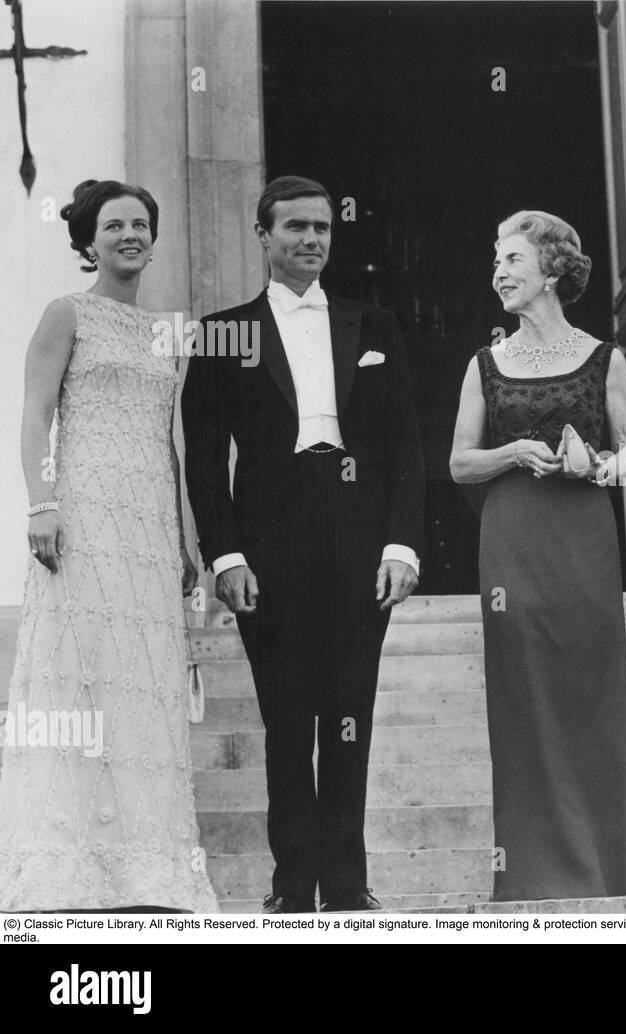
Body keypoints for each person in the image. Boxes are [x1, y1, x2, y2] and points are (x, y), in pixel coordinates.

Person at [181, 175, 425, 912]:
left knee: (351, 708)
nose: (312, 240)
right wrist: (225, 556)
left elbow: (405, 447)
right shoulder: (225, 331)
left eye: (321, 227)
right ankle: (292, 886)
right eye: (295, 228)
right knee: (286, 716)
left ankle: (347, 885)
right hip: (271, 536)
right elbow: (203, 456)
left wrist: (402, 546)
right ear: (263, 236)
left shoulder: (372, 323)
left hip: (357, 532)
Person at [0, 179, 218, 912]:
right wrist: (43, 502)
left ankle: (146, 870)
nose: (130, 235)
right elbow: (33, 416)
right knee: (80, 675)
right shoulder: (67, 313)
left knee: (143, 686)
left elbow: (177, 439)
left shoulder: (172, 330)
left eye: (141, 225)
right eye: (114, 225)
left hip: (150, 527)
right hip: (84, 518)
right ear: (88, 240)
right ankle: (67, 865)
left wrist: (189, 536)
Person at [449, 210, 626, 901]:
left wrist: (595, 465)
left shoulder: (606, 357)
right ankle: (536, 875)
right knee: (525, 703)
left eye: (511, 260)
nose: (499, 274)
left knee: (594, 698)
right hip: (512, 543)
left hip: (582, 538)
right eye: (496, 262)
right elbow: (458, 464)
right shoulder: (485, 364)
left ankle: (615, 867)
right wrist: (512, 453)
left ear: (550, 270)